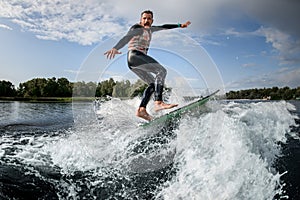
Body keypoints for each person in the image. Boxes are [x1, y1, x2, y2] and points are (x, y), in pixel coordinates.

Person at [104, 10, 191, 121]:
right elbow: (126, 38)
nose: (146, 20)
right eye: (144, 18)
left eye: (149, 19)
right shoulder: (136, 28)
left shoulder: (150, 29)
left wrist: (180, 25)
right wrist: (116, 48)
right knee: (161, 71)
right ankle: (158, 102)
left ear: (152, 20)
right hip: (135, 56)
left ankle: (141, 110)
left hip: (133, 64)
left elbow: (164, 26)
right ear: (140, 20)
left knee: (152, 84)